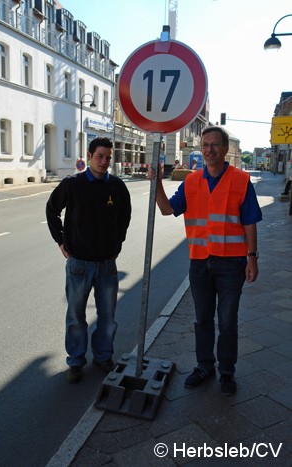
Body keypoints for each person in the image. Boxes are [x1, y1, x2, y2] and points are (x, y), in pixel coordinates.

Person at [148, 126, 262, 396]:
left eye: (215, 145)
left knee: (227, 320)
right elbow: (166, 210)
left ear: (225, 149)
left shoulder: (240, 180)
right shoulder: (191, 182)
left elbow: (249, 223)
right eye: (205, 145)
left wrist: (252, 258)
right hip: (200, 262)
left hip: (232, 263)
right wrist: (157, 184)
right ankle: (204, 367)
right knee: (202, 319)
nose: (209, 149)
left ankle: (226, 372)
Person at [46, 137, 131, 383]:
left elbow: (124, 216)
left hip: (107, 265)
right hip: (79, 265)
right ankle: (75, 361)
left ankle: (103, 356)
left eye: (108, 158)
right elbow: (52, 210)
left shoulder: (116, 186)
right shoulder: (72, 184)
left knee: (107, 316)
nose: (104, 162)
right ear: (90, 155)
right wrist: (60, 241)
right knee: (75, 316)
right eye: (99, 156)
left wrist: (118, 243)